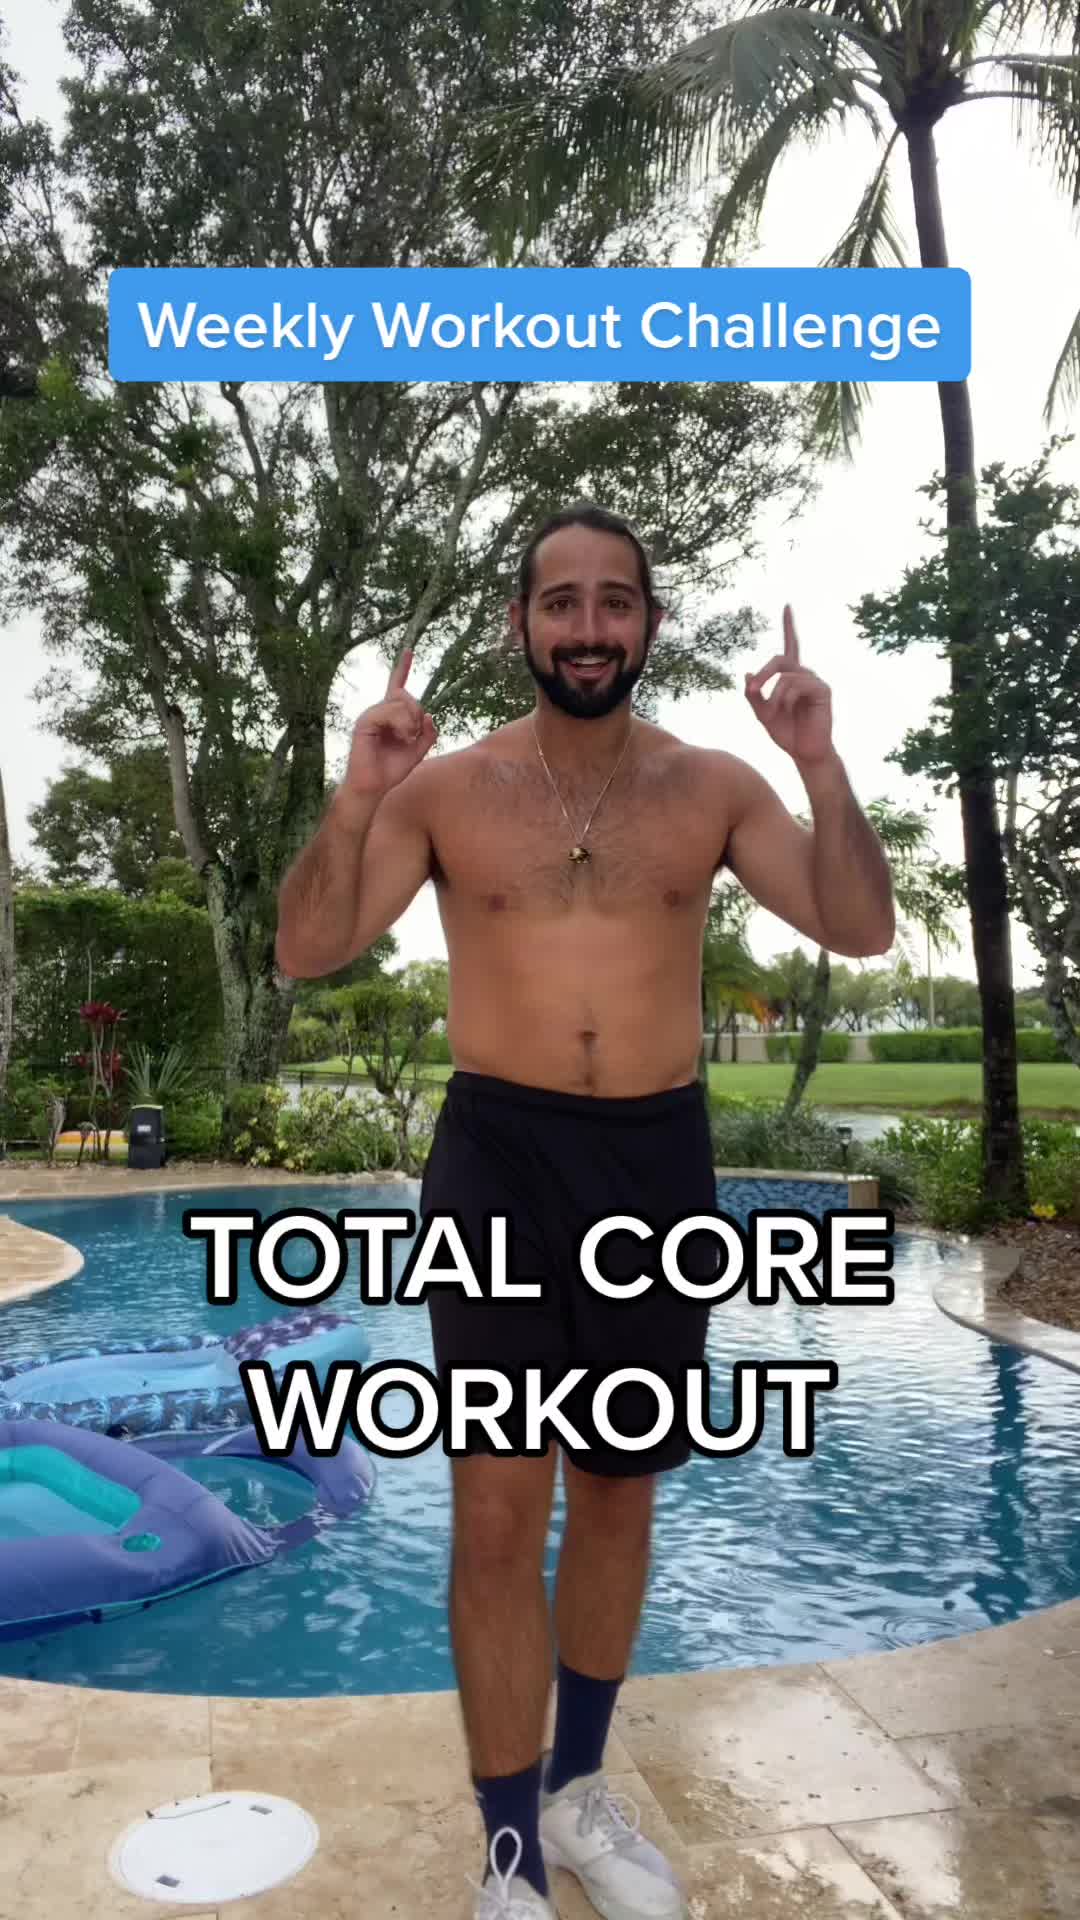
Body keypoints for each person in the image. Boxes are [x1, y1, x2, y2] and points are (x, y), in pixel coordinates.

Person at [276, 502, 895, 1920]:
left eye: (617, 601)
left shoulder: (716, 786)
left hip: (655, 1164)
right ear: (523, 624)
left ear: (651, 625)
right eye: (562, 602)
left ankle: (579, 1793)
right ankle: (510, 1848)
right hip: (499, 1160)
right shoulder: (446, 791)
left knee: (618, 1492)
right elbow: (308, 947)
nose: (590, 627)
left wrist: (819, 759)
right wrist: (360, 793)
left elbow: (860, 927)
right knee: (499, 1513)